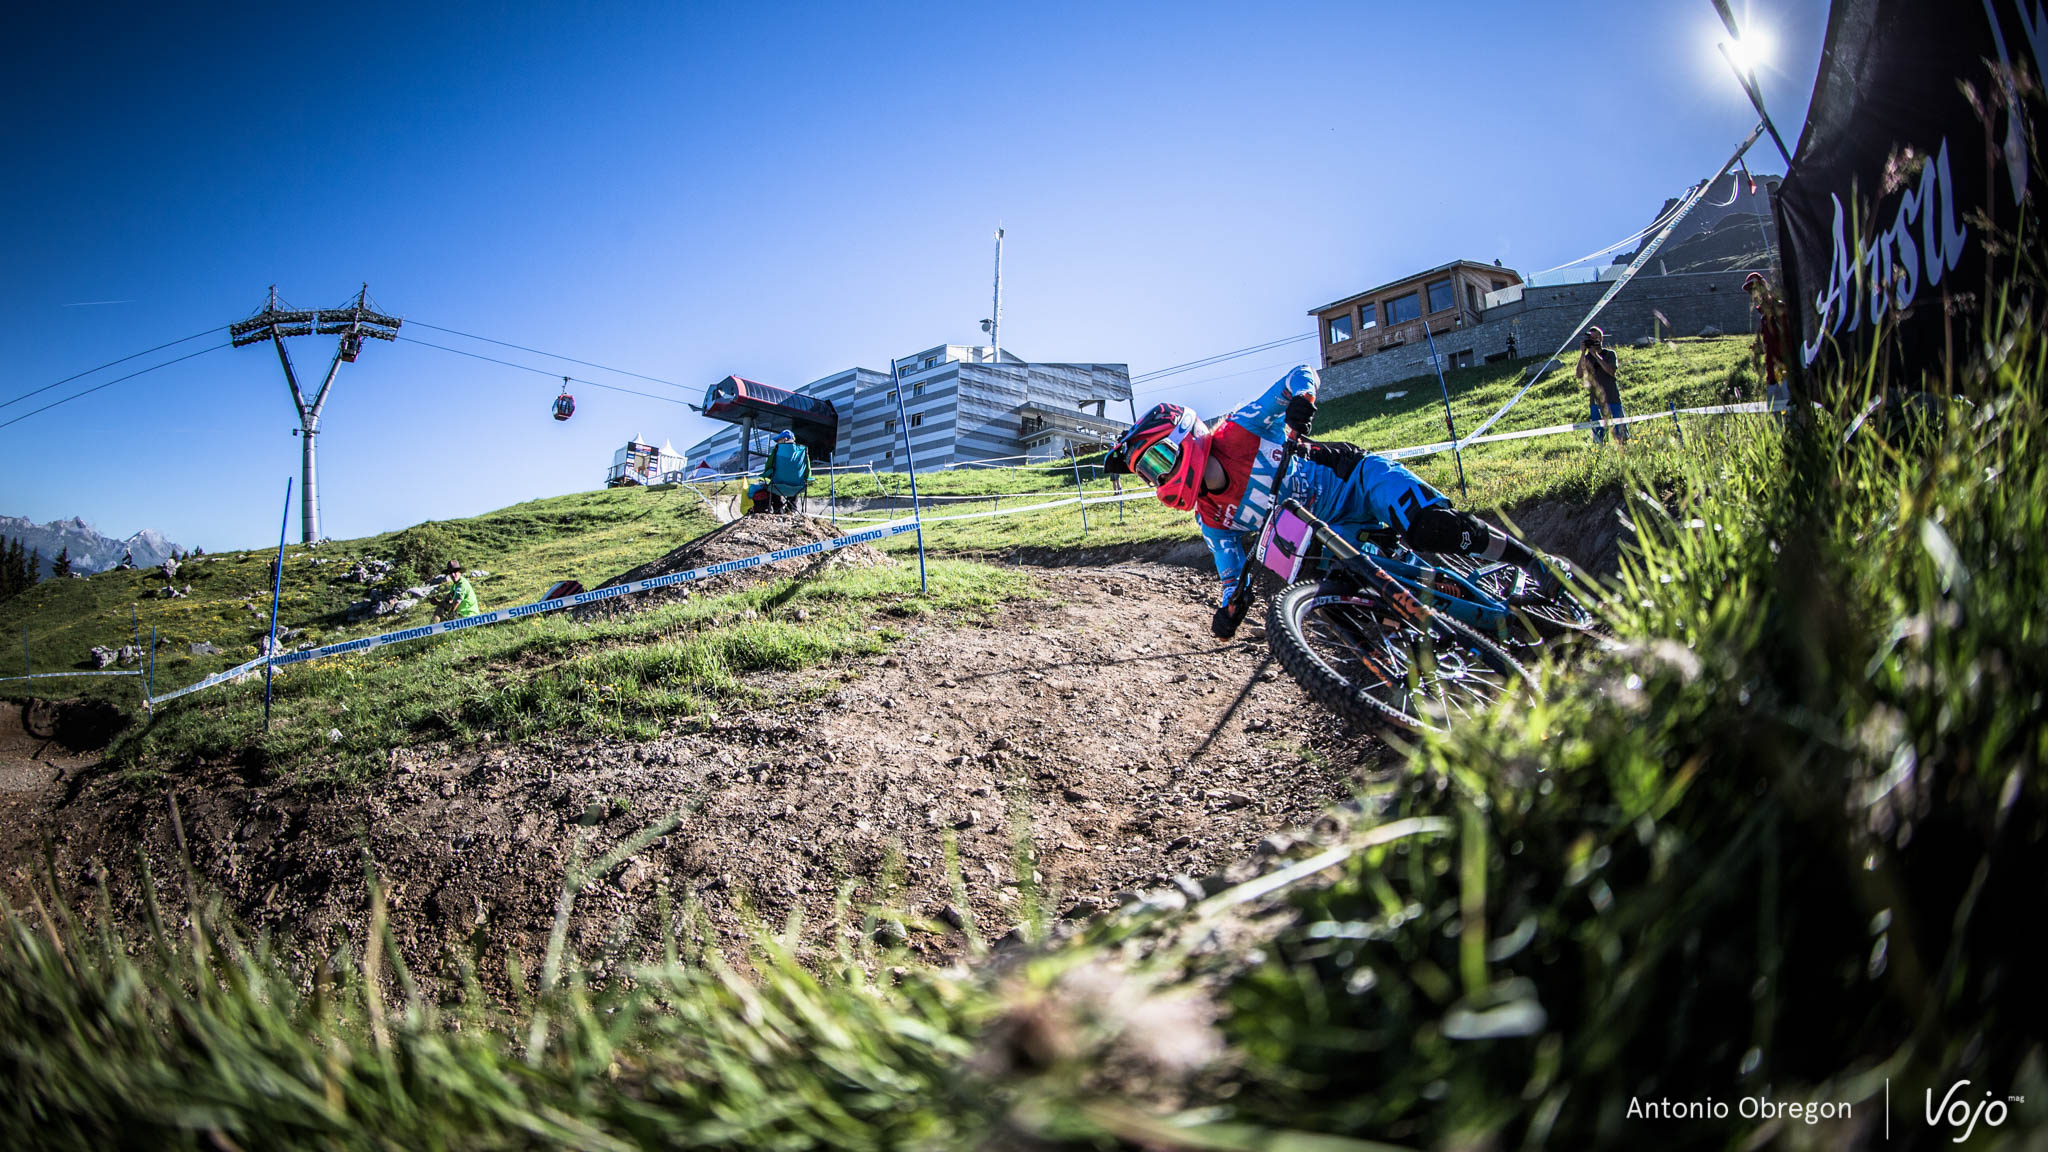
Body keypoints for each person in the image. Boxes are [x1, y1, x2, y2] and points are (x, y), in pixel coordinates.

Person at [1106, 366, 1566, 640]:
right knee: (1335, 600)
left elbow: (1299, 374)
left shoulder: (1239, 428)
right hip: (1332, 533)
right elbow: (1230, 571)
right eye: (1148, 474)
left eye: (1158, 460)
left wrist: (1301, 400)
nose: (1158, 478)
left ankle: (1531, 560)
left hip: (1359, 480)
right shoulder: (1211, 519)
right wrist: (1230, 606)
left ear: (1186, 436)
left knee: (1429, 529)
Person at [1576, 326, 1629, 448]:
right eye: (1590, 338)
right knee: (1599, 437)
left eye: (1595, 338)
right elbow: (1579, 374)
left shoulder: (1609, 354)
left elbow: (1611, 371)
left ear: (1601, 339)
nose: (1592, 340)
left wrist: (1596, 355)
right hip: (1596, 402)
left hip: (1612, 399)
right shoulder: (1587, 358)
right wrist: (1583, 353)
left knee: (1621, 434)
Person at [1746, 272, 1792, 411]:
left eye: (1757, 288)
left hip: (1786, 372)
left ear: (1765, 287)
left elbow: (1788, 339)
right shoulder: (1764, 317)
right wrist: (1761, 348)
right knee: (1775, 416)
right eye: (1752, 291)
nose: (1755, 293)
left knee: (1791, 413)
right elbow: (1771, 343)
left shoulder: (1780, 309)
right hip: (1772, 375)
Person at [747, 429, 812, 515]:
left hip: (777, 486)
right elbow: (807, 469)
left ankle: (778, 509)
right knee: (794, 483)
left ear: (785, 439)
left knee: (772, 487)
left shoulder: (777, 450)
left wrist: (767, 475)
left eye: (779, 440)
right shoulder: (803, 451)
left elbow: (768, 466)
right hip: (797, 487)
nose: (777, 443)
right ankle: (791, 510)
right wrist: (807, 479)